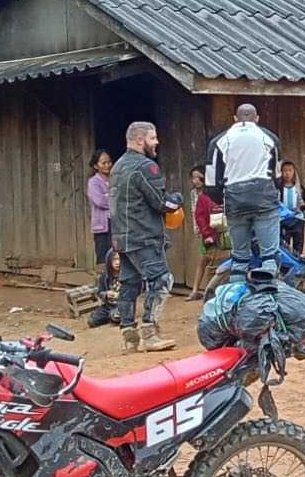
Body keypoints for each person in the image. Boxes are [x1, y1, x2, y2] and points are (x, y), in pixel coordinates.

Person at [109, 120, 180, 353]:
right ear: (140, 140)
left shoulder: (117, 166)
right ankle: (149, 332)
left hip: (122, 236)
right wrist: (177, 200)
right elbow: (160, 202)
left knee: (129, 283)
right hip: (144, 235)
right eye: (153, 138)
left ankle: (129, 336)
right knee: (161, 279)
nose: (157, 142)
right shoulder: (145, 167)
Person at [204, 104, 281, 272]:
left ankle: (235, 293)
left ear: (235, 119)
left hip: (235, 201)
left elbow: (210, 184)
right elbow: (278, 177)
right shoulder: (269, 138)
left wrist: (224, 200)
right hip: (264, 199)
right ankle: (269, 293)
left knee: (239, 259)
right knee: (269, 258)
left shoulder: (219, 141)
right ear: (257, 118)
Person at [187, 165, 221, 300]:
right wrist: (203, 232)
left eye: (198, 177)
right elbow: (196, 214)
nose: (195, 180)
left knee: (207, 260)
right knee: (205, 260)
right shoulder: (195, 195)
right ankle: (200, 290)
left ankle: (199, 290)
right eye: (193, 177)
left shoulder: (212, 193)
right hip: (204, 232)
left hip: (215, 231)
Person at [277, 160, 305, 255]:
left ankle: (298, 260)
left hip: (298, 220)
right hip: (283, 221)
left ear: (294, 172)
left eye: (290, 170)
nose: (287, 173)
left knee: (298, 244)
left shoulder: (299, 188)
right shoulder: (278, 188)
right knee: (284, 245)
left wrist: (302, 207)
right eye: (284, 171)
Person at [87, 150, 113, 264]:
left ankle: (117, 281)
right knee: (103, 258)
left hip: (117, 223)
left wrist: (108, 196)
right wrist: (114, 197)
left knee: (117, 258)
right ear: (95, 166)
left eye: (109, 162)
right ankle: (104, 281)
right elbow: (100, 201)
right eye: (103, 163)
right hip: (102, 227)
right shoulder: (93, 182)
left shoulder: (115, 179)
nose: (107, 165)